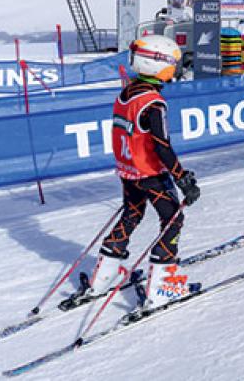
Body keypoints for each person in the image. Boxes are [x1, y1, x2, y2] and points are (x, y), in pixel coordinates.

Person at [83, 34, 202, 309]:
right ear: (158, 65)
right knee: (173, 218)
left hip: (128, 171)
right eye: (173, 63)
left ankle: (104, 275)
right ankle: (163, 285)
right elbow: (161, 145)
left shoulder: (126, 94)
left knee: (132, 214)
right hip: (150, 173)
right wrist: (181, 177)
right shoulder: (154, 103)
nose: (176, 68)